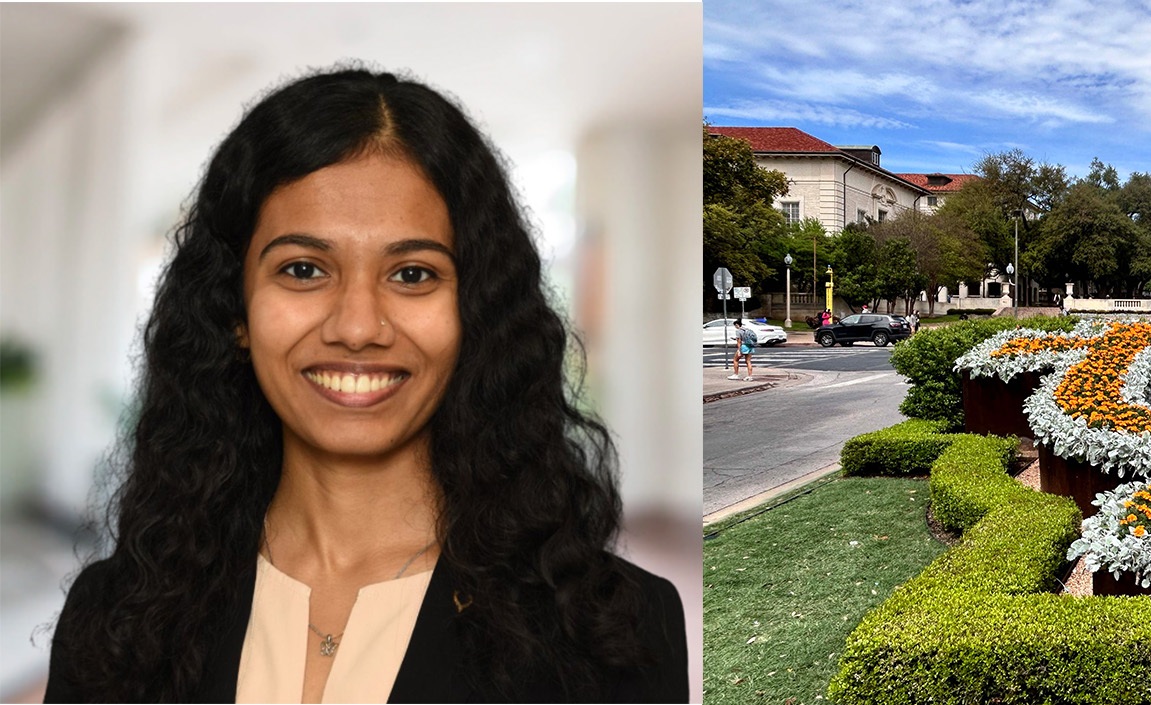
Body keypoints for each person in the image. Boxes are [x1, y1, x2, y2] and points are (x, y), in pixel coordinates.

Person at [46, 69, 685, 703]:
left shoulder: (619, 629)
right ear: (234, 312)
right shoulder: (114, 617)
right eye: (302, 269)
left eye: (411, 274)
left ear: (477, 314)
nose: (357, 327)